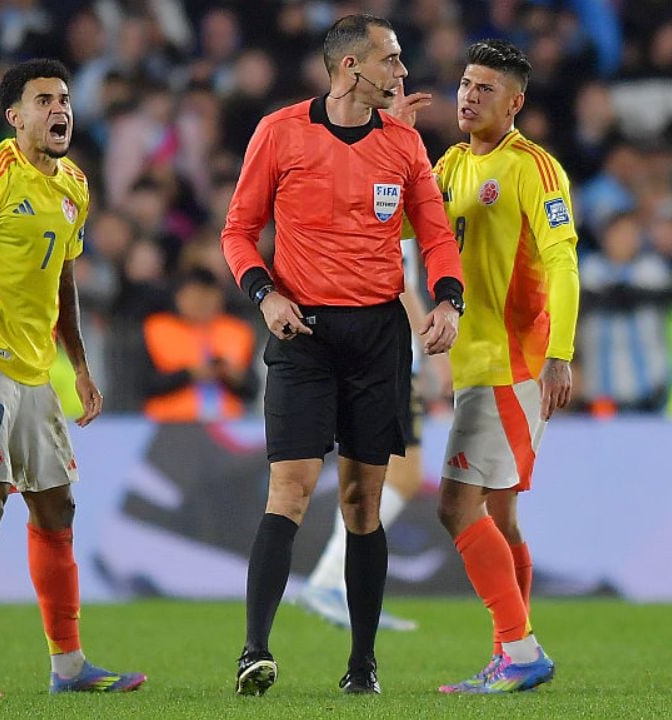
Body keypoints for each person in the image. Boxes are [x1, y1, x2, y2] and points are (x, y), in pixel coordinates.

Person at [220, 14, 465, 697]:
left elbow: (437, 235)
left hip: (378, 338)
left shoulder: (403, 146)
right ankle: (254, 652)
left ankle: (362, 666)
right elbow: (238, 231)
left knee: (363, 500)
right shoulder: (280, 132)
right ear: (351, 68)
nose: (403, 72)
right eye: (391, 60)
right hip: (302, 332)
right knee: (291, 489)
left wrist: (447, 300)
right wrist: (264, 295)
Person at [0, 58, 145, 699]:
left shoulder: (74, 184)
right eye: (44, 101)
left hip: (35, 369)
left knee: (56, 509)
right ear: (14, 116)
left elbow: (64, 279)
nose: (60, 111)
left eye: (65, 100)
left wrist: (79, 367)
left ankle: (69, 666)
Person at [431, 39, 579, 695]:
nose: (469, 96)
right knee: (500, 512)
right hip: (471, 365)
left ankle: (519, 651)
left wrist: (560, 354)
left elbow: (564, 263)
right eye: (465, 83)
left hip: (512, 364)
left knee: (457, 507)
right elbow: (412, 230)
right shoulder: (450, 164)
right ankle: (510, 655)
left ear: (515, 102)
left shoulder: (535, 170)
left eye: (485, 88)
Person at [294, 237, 439, 633]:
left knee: (371, 473)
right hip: (391, 352)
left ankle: (340, 584)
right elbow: (397, 280)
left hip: (370, 348)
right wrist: (428, 344)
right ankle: (330, 580)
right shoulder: (396, 191)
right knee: (399, 475)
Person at [141, 269, 257, 422]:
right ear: (179, 296)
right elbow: (144, 383)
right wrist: (190, 373)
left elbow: (252, 388)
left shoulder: (238, 331)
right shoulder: (156, 328)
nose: (201, 303)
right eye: (195, 296)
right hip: (170, 425)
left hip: (226, 426)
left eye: (208, 296)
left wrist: (233, 376)